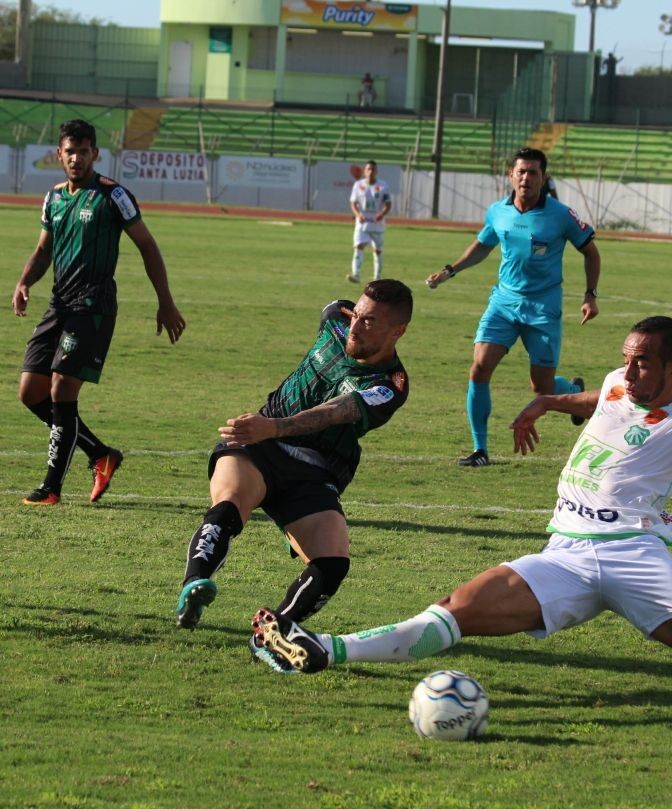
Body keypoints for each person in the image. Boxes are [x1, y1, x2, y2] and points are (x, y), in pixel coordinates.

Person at [252, 316, 672, 718]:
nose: (629, 366)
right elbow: (597, 395)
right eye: (626, 355)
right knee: (454, 608)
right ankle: (322, 648)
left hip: (639, 559)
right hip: (564, 555)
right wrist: (546, 400)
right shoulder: (620, 385)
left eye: (643, 358)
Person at [176, 280, 412, 671]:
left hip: (313, 469)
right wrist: (269, 429)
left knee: (333, 561)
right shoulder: (337, 318)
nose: (356, 327)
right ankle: (194, 584)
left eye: (370, 323)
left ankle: (274, 632)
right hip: (259, 446)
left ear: (397, 331)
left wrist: (277, 427)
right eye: (357, 316)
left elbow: (336, 411)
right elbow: (336, 312)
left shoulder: (389, 386)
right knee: (230, 504)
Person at [11, 118, 186, 506]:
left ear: (95, 153)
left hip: (93, 307)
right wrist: (24, 282)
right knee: (30, 392)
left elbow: (148, 246)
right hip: (59, 303)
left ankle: (51, 487)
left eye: (83, 151)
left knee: (60, 389)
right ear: (60, 154)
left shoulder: (113, 195)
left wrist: (165, 301)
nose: (76, 158)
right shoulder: (54, 198)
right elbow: (43, 251)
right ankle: (100, 454)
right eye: (69, 151)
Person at [425, 147, 601, 467]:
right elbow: (483, 245)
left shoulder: (561, 215)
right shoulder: (497, 211)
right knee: (479, 368)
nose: (526, 178)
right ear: (511, 175)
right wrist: (450, 270)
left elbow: (592, 253)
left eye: (533, 172)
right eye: (521, 171)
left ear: (543, 178)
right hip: (503, 303)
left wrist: (590, 295)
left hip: (543, 309)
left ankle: (573, 391)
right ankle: (480, 450)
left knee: (542, 388)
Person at [348, 160, 392, 285]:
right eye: (368, 169)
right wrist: (358, 214)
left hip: (377, 225)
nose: (371, 171)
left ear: (376, 171)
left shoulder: (383, 186)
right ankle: (356, 274)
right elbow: (353, 203)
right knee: (358, 246)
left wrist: (382, 214)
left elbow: (388, 204)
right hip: (362, 224)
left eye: (373, 169)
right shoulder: (358, 185)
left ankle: (377, 277)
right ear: (364, 171)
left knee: (377, 251)